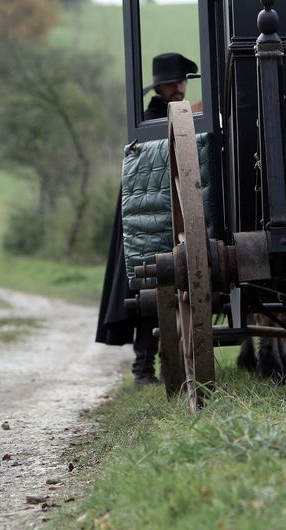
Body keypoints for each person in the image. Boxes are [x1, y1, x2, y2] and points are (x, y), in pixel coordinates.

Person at [96, 52, 199, 387]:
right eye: (173, 83)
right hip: (148, 211)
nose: (179, 87)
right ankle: (143, 367)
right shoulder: (151, 120)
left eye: (182, 81)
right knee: (147, 286)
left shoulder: (181, 115)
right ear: (161, 87)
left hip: (178, 208)